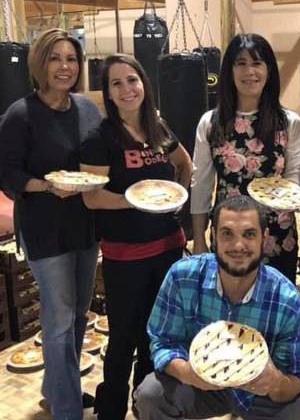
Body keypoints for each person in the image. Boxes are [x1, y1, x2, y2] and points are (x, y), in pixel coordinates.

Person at [80, 53, 192, 420]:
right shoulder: (100, 138)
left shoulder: (158, 128)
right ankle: (109, 410)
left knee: (155, 334)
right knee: (124, 337)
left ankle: (146, 406)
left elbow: (184, 164)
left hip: (168, 248)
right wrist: (139, 203)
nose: (127, 89)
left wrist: (176, 198)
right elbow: (92, 196)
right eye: (117, 83)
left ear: (144, 84)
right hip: (125, 255)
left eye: (133, 80)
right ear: (108, 93)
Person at [134, 195, 300, 420]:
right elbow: (162, 341)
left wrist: (275, 382)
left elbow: (296, 379)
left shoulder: (286, 299)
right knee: (150, 394)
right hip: (199, 386)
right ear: (214, 237)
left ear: (265, 238)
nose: (238, 246)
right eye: (227, 234)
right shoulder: (183, 277)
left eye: (249, 234)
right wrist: (188, 372)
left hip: (258, 395)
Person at [0, 28, 101, 419]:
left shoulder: (88, 109)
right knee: (59, 319)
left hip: (84, 224)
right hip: (45, 229)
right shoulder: (20, 114)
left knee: (78, 314)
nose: (65, 67)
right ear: (39, 64)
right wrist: (45, 186)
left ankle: (57, 386)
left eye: (72, 59)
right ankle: (66, 407)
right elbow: (7, 171)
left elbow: (97, 159)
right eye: (56, 58)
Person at [191, 33, 300, 284]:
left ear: (269, 70)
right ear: (229, 71)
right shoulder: (211, 123)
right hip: (228, 235)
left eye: (257, 63)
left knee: (272, 313)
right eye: (240, 63)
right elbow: (200, 185)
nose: (249, 71)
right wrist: (199, 237)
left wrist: (291, 199)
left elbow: (294, 176)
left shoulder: (289, 122)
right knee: (227, 311)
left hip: (276, 235)